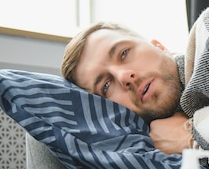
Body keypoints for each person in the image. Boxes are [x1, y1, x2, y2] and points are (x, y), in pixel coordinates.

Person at [61, 22, 192, 155]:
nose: (124, 77)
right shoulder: (148, 152)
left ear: (159, 46)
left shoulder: (208, 34)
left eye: (124, 53)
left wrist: (193, 139)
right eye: (106, 86)